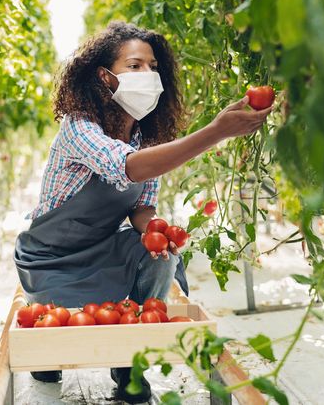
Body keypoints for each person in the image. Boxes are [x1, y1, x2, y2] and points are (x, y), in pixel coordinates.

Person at [14, 21, 272, 403]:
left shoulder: (143, 139)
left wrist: (155, 229)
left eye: (153, 67)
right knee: (53, 339)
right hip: (51, 259)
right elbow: (130, 167)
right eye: (134, 66)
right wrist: (216, 131)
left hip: (102, 248)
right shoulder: (79, 128)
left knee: (162, 258)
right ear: (105, 77)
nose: (148, 75)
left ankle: (130, 361)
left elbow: (141, 206)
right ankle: (50, 338)